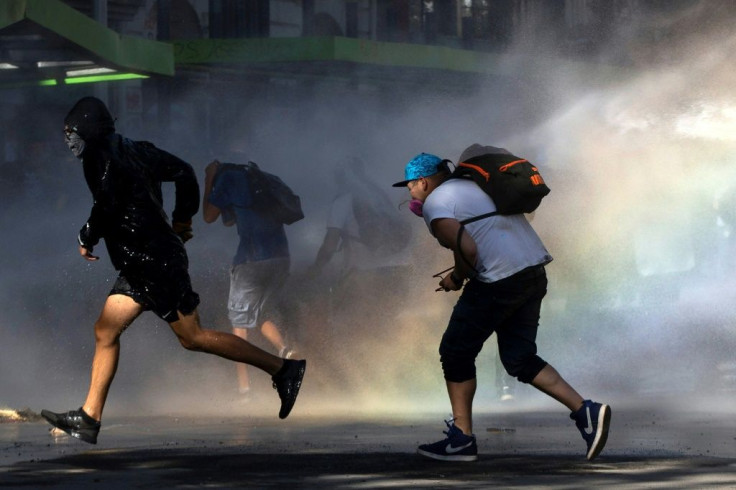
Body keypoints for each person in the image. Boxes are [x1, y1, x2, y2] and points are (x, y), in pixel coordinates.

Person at [41, 97, 306, 444]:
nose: (68, 140)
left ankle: (283, 370)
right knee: (105, 331)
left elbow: (106, 202)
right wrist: (182, 220)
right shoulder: (135, 148)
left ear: (87, 131)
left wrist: (86, 236)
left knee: (192, 337)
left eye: (71, 133)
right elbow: (184, 172)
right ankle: (89, 418)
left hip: (153, 262)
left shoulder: (97, 157)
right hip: (144, 261)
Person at [392, 148, 611, 462]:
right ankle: (586, 411)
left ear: (424, 182)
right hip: (533, 272)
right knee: (519, 359)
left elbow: (467, 248)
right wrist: (459, 274)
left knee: (455, 351)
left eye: (410, 185)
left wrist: (457, 276)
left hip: (500, 281)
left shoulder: (436, 204)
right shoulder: (475, 187)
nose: (410, 192)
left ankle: (462, 439)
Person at [202, 159, 297, 398]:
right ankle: (285, 350)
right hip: (281, 259)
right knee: (260, 314)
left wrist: (209, 179)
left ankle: (244, 391)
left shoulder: (228, 177)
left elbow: (208, 216)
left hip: (252, 261)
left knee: (239, 324)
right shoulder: (261, 178)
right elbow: (230, 219)